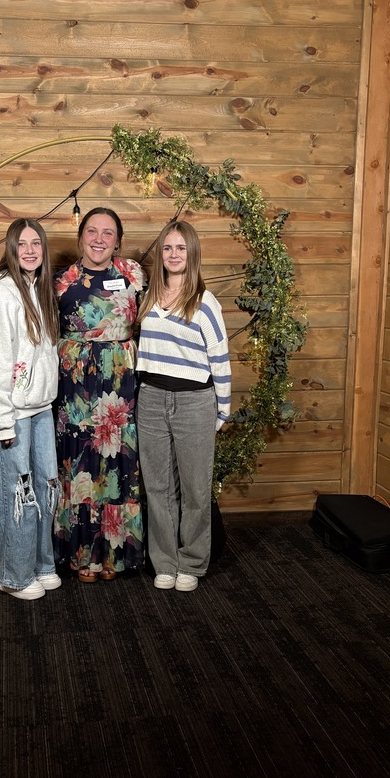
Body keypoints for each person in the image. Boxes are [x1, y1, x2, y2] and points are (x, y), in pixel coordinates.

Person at [136, 220, 231, 592]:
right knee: (158, 487)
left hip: (195, 402)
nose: (174, 255)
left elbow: (220, 359)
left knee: (194, 488)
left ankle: (191, 561)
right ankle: (164, 562)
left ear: (191, 254)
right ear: (160, 254)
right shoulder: (147, 298)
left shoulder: (205, 303)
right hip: (151, 399)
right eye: (167, 248)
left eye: (181, 248)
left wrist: (221, 410)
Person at [54, 207, 145, 582]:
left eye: (108, 233)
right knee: (80, 465)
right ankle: (81, 558)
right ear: (80, 237)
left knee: (116, 466)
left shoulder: (134, 275)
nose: (99, 239)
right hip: (75, 387)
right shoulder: (60, 281)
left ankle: (114, 557)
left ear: (118, 240)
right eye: (92, 231)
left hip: (119, 387)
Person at [0, 219, 61, 600]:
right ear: (10, 248)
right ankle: (11, 574)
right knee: (17, 494)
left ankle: (40, 564)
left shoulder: (38, 290)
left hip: (40, 409)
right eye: (21, 244)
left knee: (44, 488)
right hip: (10, 415)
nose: (29, 250)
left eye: (35, 243)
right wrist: (2, 421)